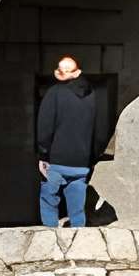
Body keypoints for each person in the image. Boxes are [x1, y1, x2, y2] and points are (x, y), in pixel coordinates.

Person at [33, 54, 104, 228]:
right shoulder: (92, 96)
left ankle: (51, 239)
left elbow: (45, 127)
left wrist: (43, 154)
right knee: (77, 207)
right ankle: (77, 240)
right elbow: (100, 129)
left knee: (49, 199)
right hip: (81, 163)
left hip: (57, 159)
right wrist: (92, 157)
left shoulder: (54, 93)